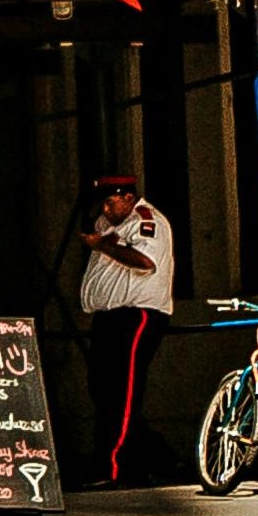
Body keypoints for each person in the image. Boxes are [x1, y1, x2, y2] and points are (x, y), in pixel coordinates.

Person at [76, 175, 177, 486]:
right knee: (102, 389)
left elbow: (144, 261)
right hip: (109, 316)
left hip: (137, 315)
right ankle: (155, 456)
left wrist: (102, 245)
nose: (105, 209)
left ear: (129, 197)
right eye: (102, 204)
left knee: (123, 390)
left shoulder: (146, 221)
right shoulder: (107, 223)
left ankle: (114, 466)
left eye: (111, 202)